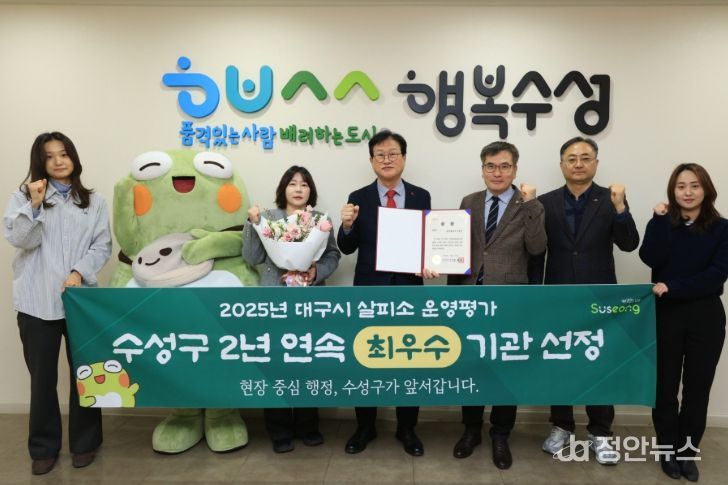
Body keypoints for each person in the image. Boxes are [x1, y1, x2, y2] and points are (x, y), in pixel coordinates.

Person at [3, 132, 112, 475]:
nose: (58, 161)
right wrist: (35, 205)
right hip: (36, 301)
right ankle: (43, 448)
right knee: (42, 379)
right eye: (49, 156)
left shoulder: (93, 201)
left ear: (73, 158)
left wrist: (79, 271)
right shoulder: (23, 197)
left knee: (86, 373)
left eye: (63, 154)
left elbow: (102, 245)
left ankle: (86, 443)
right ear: (40, 162)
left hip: (81, 302)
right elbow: (21, 240)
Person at [529, 136, 639, 465]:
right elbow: (537, 253)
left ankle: (601, 432)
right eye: (572, 158)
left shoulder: (611, 199)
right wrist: (535, 294)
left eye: (585, 157)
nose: (578, 164)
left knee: (600, 364)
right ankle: (561, 425)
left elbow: (629, 243)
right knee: (560, 361)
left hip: (599, 298)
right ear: (561, 164)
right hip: (558, 295)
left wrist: (621, 208)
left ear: (596, 163)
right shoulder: (546, 202)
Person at [448, 141, 546, 469]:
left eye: (505, 166)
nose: (497, 172)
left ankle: (500, 434)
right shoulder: (470, 201)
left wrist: (531, 205)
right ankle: (471, 430)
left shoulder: (529, 204)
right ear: (483, 170)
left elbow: (537, 247)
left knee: (505, 371)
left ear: (515, 170)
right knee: (472, 367)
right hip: (471, 299)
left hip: (509, 301)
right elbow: (456, 248)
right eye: (491, 166)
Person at [337, 129, 431, 457]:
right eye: (380, 154)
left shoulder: (421, 196)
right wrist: (347, 225)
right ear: (371, 160)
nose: (387, 159)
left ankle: (407, 428)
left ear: (404, 158)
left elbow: (427, 241)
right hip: (369, 290)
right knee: (366, 357)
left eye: (393, 154)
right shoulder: (358, 197)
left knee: (410, 359)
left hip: (409, 290)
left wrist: (430, 261)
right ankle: (365, 427)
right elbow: (346, 248)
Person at [639, 163, 728, 482]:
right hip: (666, 314)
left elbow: (717, 275)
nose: (687, 192)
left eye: (694, 185)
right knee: (664, 388)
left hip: (706, 316)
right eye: (680, 186)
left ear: (706, 189)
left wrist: (674, 286)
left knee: (697, 388)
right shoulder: (663, 222)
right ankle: (667, 451)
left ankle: (687, 453)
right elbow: (650, 258)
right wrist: (659, 221)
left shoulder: (722, 228)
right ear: (672, 191)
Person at [243, 165, 340, 453]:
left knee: (309, 363)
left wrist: (316, 271)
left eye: (304, 184)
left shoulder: (320, 220)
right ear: (283, 188)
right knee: (277, 365)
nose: (298, 189)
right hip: (274, 303)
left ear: (311, 191)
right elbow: (251, 257)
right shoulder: (268, 218)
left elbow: (333, 255)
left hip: (310, 303)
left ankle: (309, 427)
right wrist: (253, 223)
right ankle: (279, 431)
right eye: (293, 183)